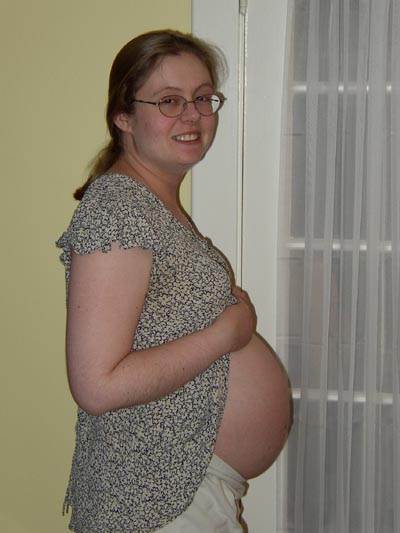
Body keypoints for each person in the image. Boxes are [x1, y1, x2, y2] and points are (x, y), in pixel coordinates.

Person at [57, 29, 291, 533]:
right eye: (169, 100)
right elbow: (96, 385)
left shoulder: (150, 205)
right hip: (156, 493)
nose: (193, 115)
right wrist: (227, 334)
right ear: (123, 116)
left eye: (203, 98)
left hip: (181, 489)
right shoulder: (118, 208)